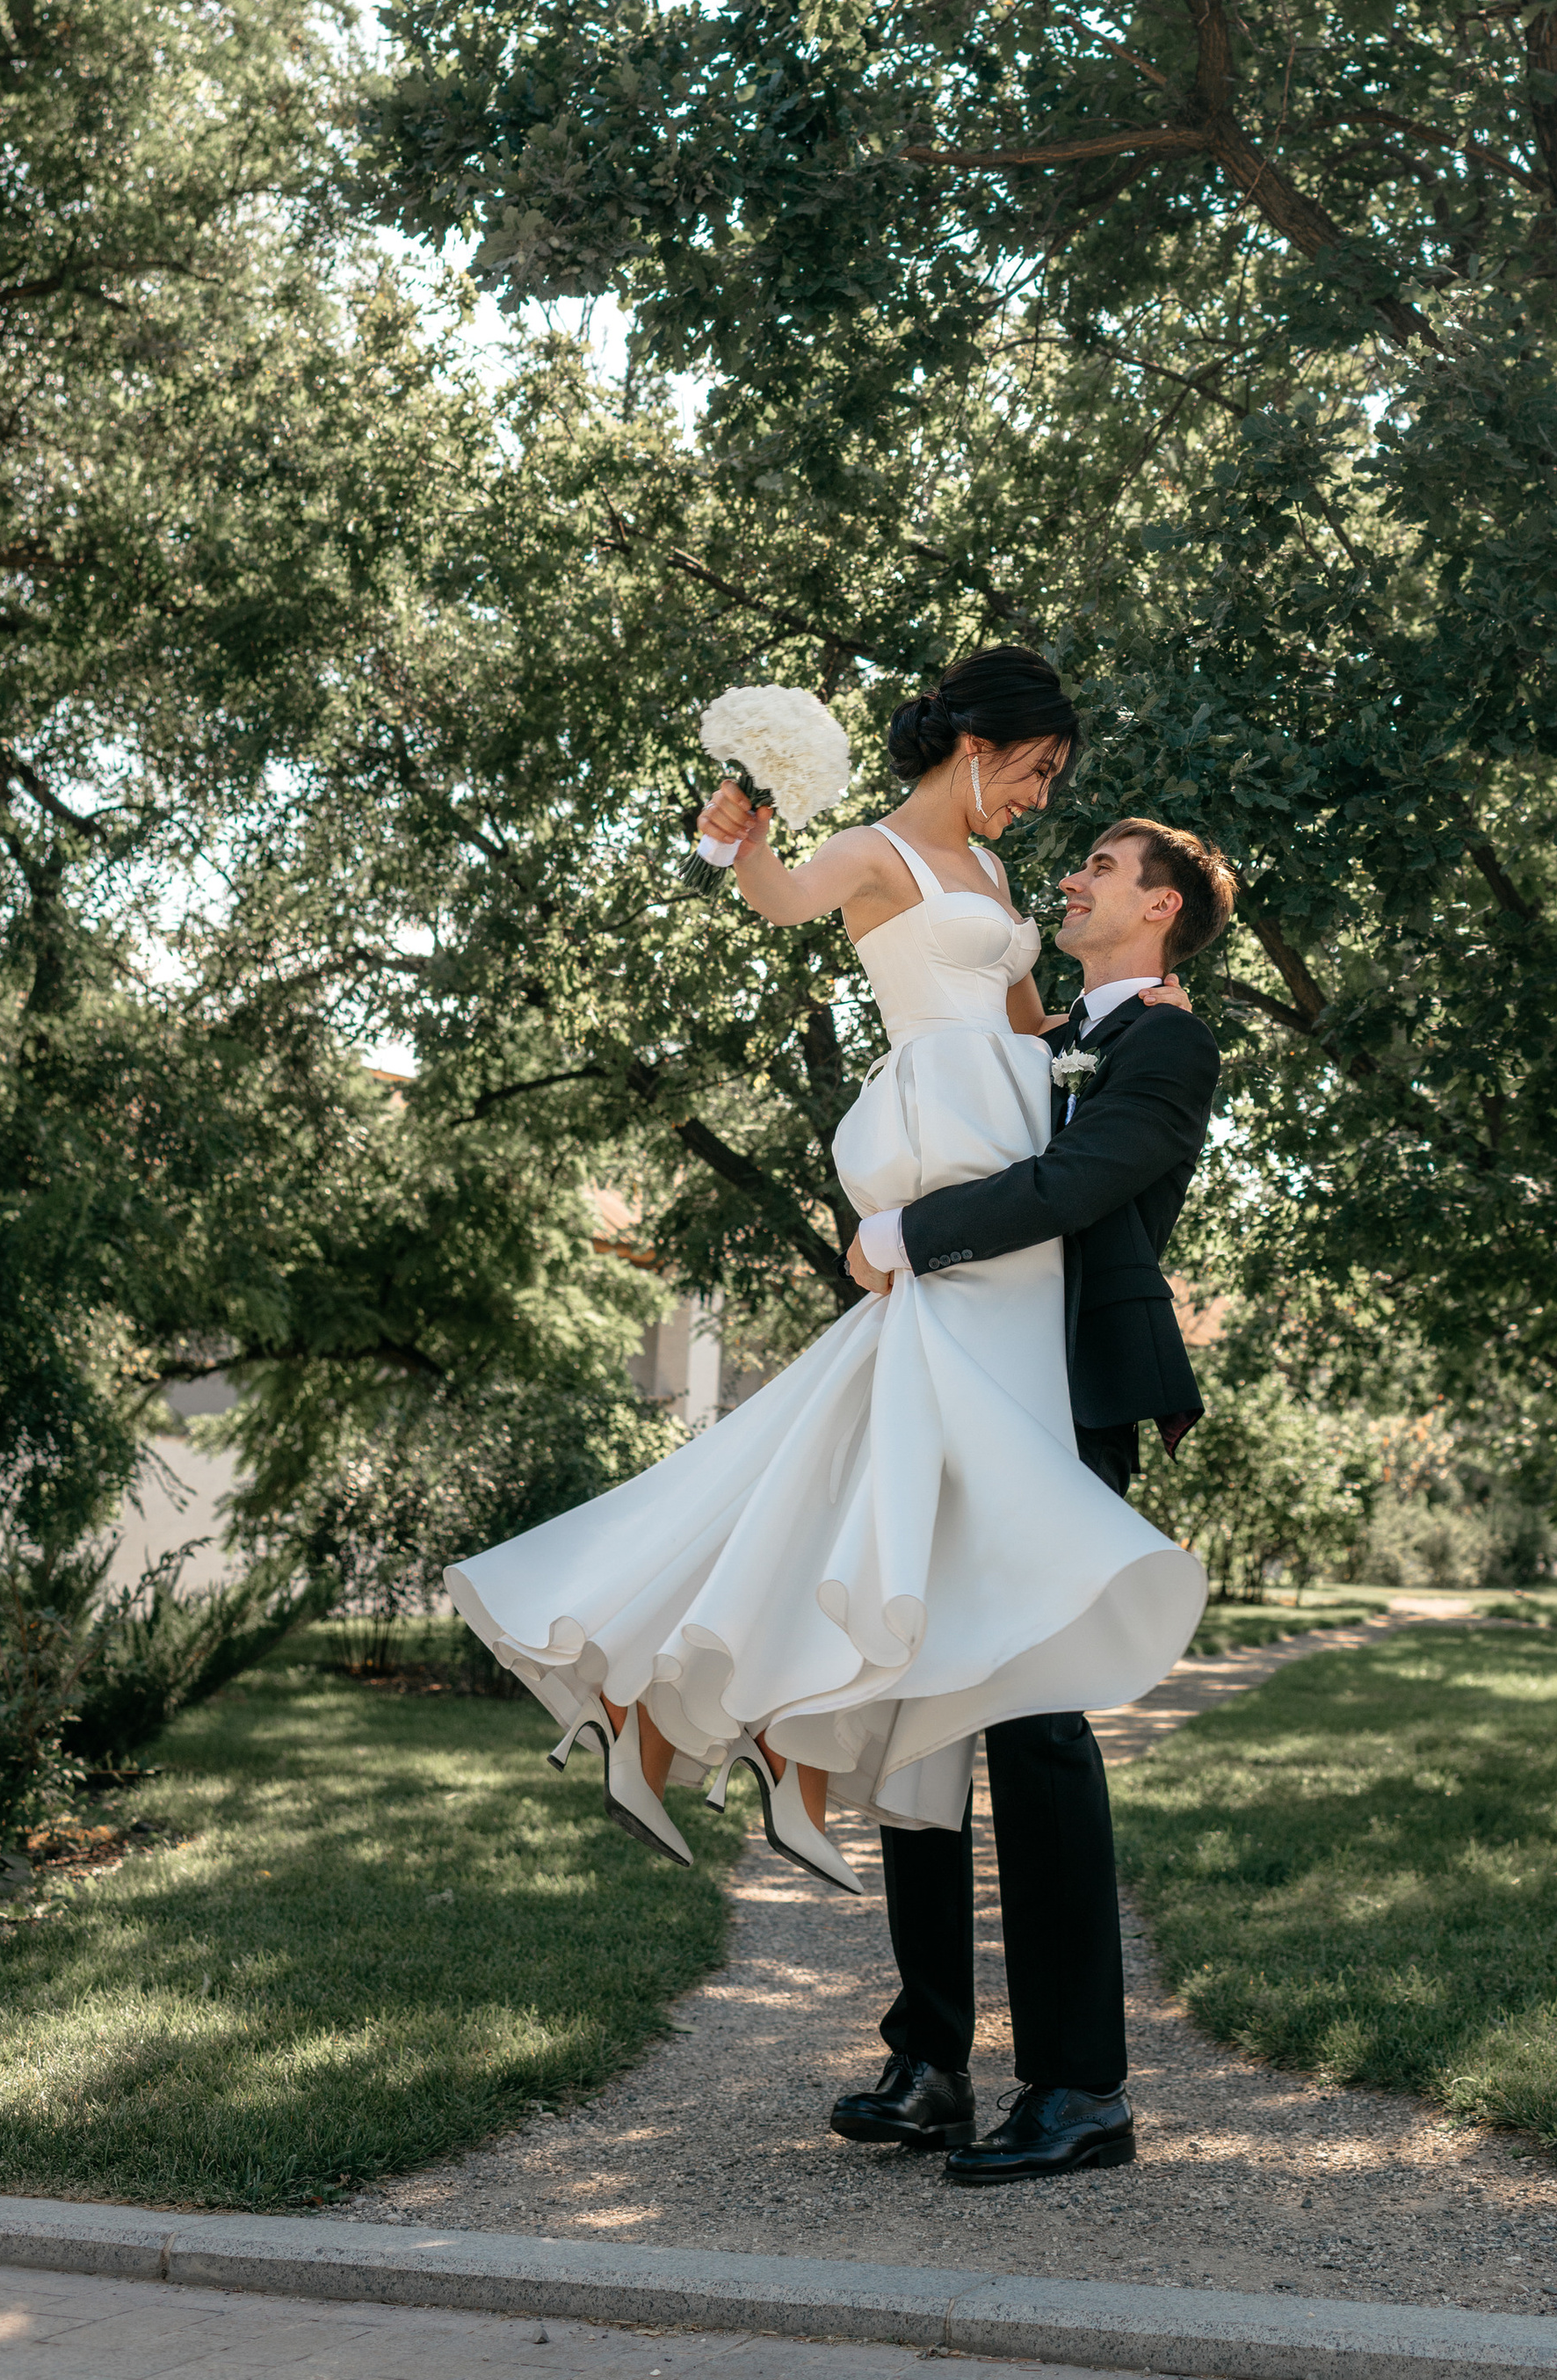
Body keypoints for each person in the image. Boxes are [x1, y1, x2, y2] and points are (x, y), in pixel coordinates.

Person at [444, 649, 1213, 1930]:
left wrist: (1124, 1030)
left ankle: (719, 1727)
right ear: (976, 745)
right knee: (873, 1447)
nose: (1039, 801)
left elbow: (1035, 1036)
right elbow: (778, 899)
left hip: (1000, 1157)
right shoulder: (872, 851)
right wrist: (728, 835)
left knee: (854, 1450)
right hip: (948, 1144)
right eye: (1034, 771)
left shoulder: (1002, 878)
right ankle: (730, 1725)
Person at [829, 797, 1236, 2185]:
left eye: (1106, 870)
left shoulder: (1170, 1044)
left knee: (1036, 1726)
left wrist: (909, 1229)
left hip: (1064, 1400)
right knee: (919, 1708)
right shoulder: (1039, 1046)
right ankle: (932, 2056)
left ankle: (1081, 2088)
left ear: (1163, 906)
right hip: (957, 1380)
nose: (1075, 879)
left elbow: (1087, 1175)